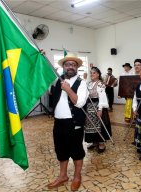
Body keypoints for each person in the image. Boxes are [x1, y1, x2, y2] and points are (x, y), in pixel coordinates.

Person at [48, 53, 89, 191]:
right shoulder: (57, 81)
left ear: (76, 67)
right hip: (58, 123)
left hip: (74, 122)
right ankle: (63, 176)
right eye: (67, 64)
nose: (70, 66)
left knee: (76, 151)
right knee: (61, 150)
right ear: (63, 67)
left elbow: (80, 103)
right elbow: (50, 96)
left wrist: (68, 89)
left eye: (73, 64)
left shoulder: (82, 83)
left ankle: (77, 176)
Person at [84, 67, 112, 153]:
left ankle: (101, 142)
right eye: (91, 73)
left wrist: (100, 109)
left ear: (98, 74)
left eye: (94, 73)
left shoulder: (100, 84)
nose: (92, 74)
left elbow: (102, 97)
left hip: (98, 106)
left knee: (99, 125)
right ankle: (94, 141)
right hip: (89, 106)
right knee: (90, 125)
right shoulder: (88, 84)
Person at [124, 59, 141, 123]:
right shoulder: (131, 74)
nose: (136, 66)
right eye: (135, 65)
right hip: (132, 95)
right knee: (132, 106)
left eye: (138, 65)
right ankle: (134, 119)